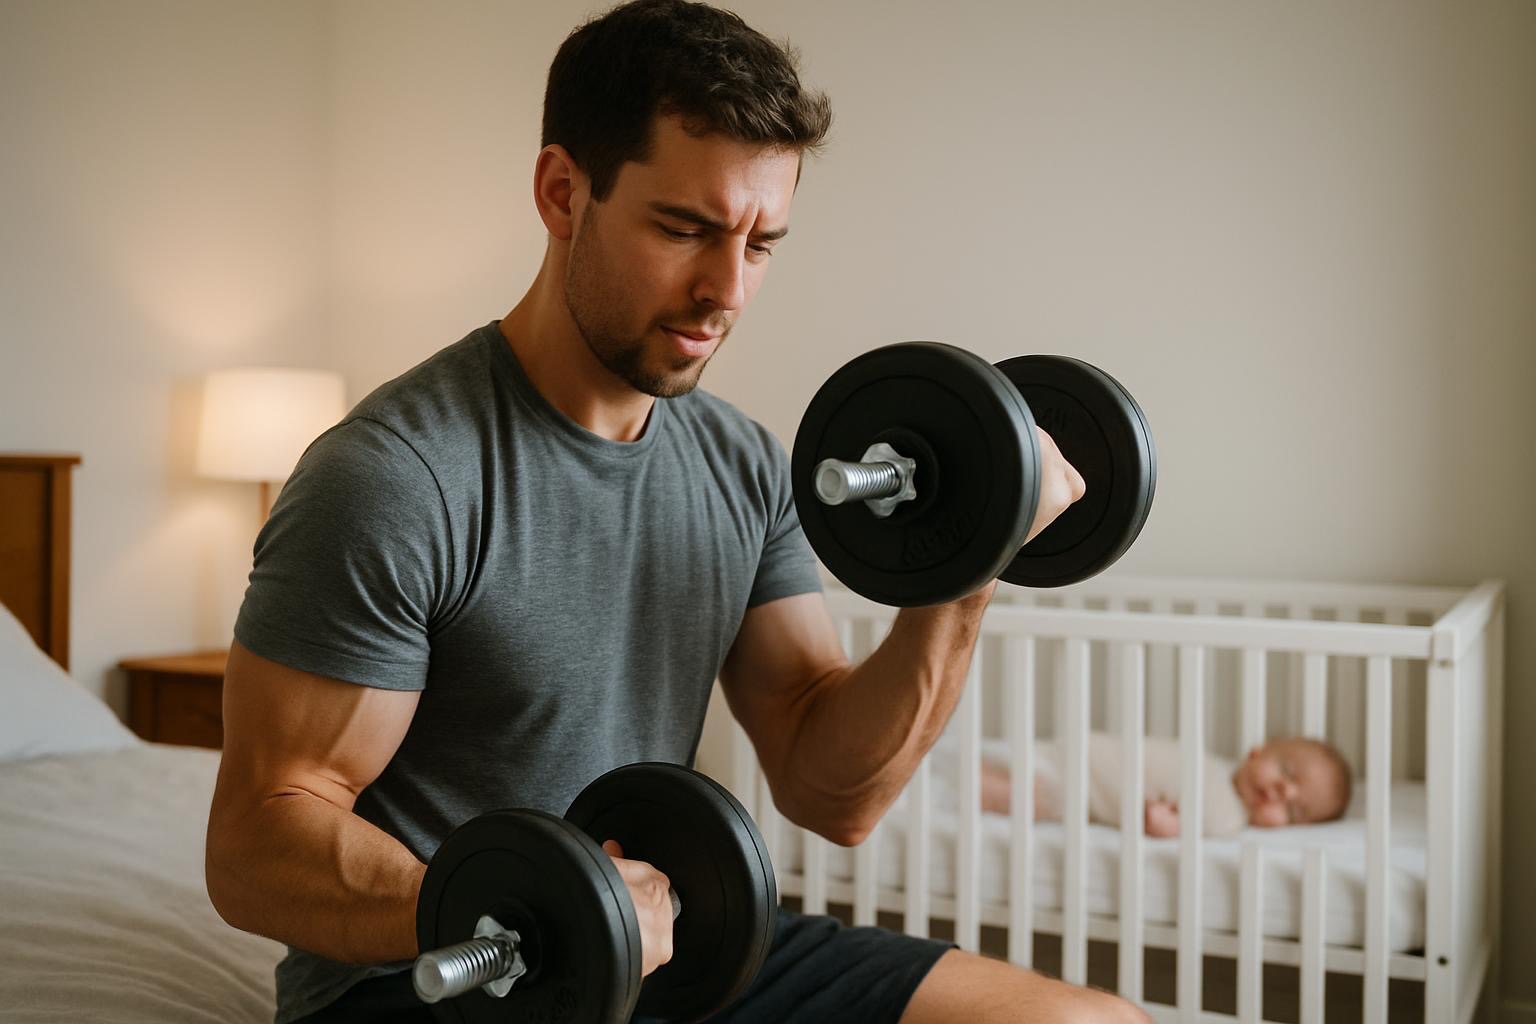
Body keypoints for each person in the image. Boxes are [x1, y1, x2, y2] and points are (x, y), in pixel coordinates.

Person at [204, 2, 1145, 1021]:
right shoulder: (396, 477)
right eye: (685, 228)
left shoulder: (742, 464)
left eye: (761, 243)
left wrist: (966, 570)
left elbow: (837, 793)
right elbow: (260, 841)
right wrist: (542, 898)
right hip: (442, 977)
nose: (726, 289)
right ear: (563, 192)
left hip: (672, 949)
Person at [977, 734, 1353, 837]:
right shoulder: (1215, 765)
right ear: (1257, 752)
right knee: (986, 762)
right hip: (1078, 755)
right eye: (1287, 772)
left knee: (1001, 793)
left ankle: (944, 790)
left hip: (1078, 793)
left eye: (1293, 810)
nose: (1283, 793)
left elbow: (1173, 825)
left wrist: (1161, 823)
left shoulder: (1227, 819)